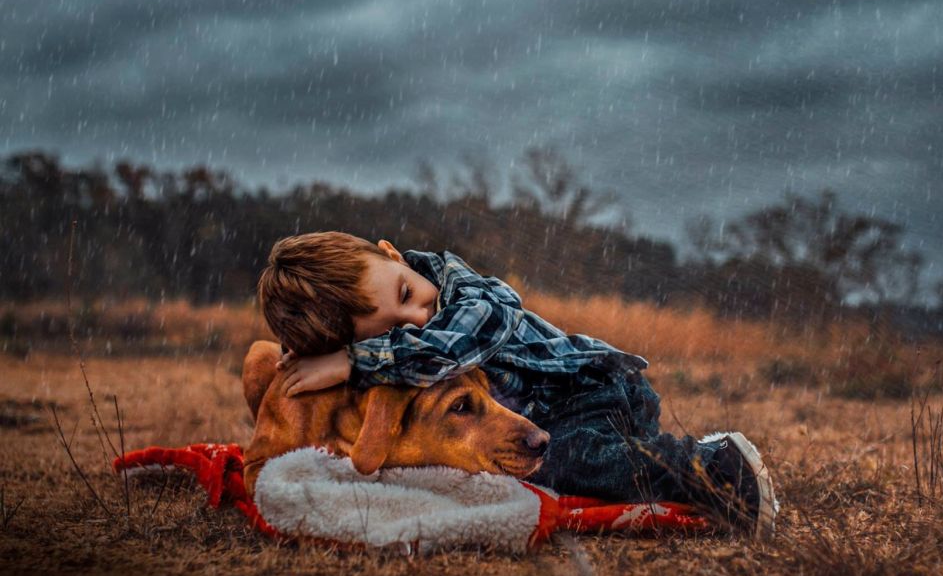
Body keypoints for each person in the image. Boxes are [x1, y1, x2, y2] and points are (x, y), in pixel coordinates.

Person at [256, 231, 779, 539]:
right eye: (395, 325)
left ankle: (722, 470)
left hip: (594, 390)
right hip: (550, 415)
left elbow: (453, 343)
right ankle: (645, 453)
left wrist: (353, 361)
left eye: (407, 292)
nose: (419, 314)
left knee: (570, 460)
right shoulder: (410, 342)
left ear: (394, 255)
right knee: (551, 473)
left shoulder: (469, 296)